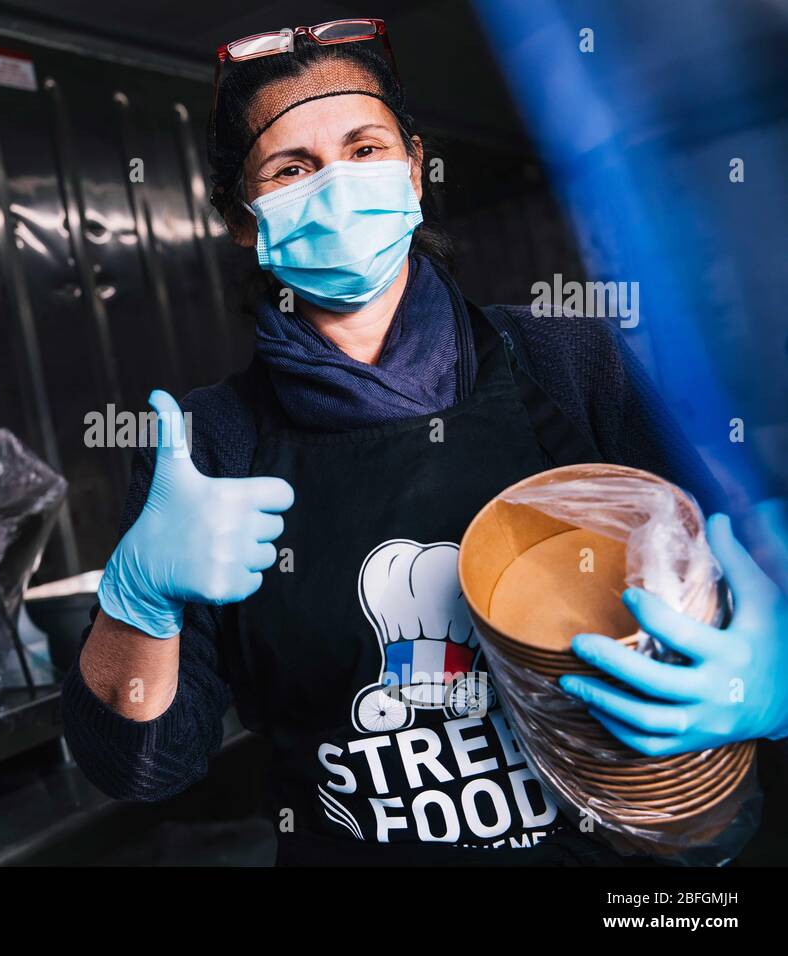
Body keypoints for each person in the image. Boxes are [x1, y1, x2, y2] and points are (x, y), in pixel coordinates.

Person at [60, 20, 788, 865]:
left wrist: (770, 672)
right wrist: (136, 604)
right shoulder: (204, 447)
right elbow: (141, 770)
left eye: (363, 148)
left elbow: (740, 554)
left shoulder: (567, 359)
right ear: (241, 220)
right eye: (292, 168)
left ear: (412, 168)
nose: (336, 185)